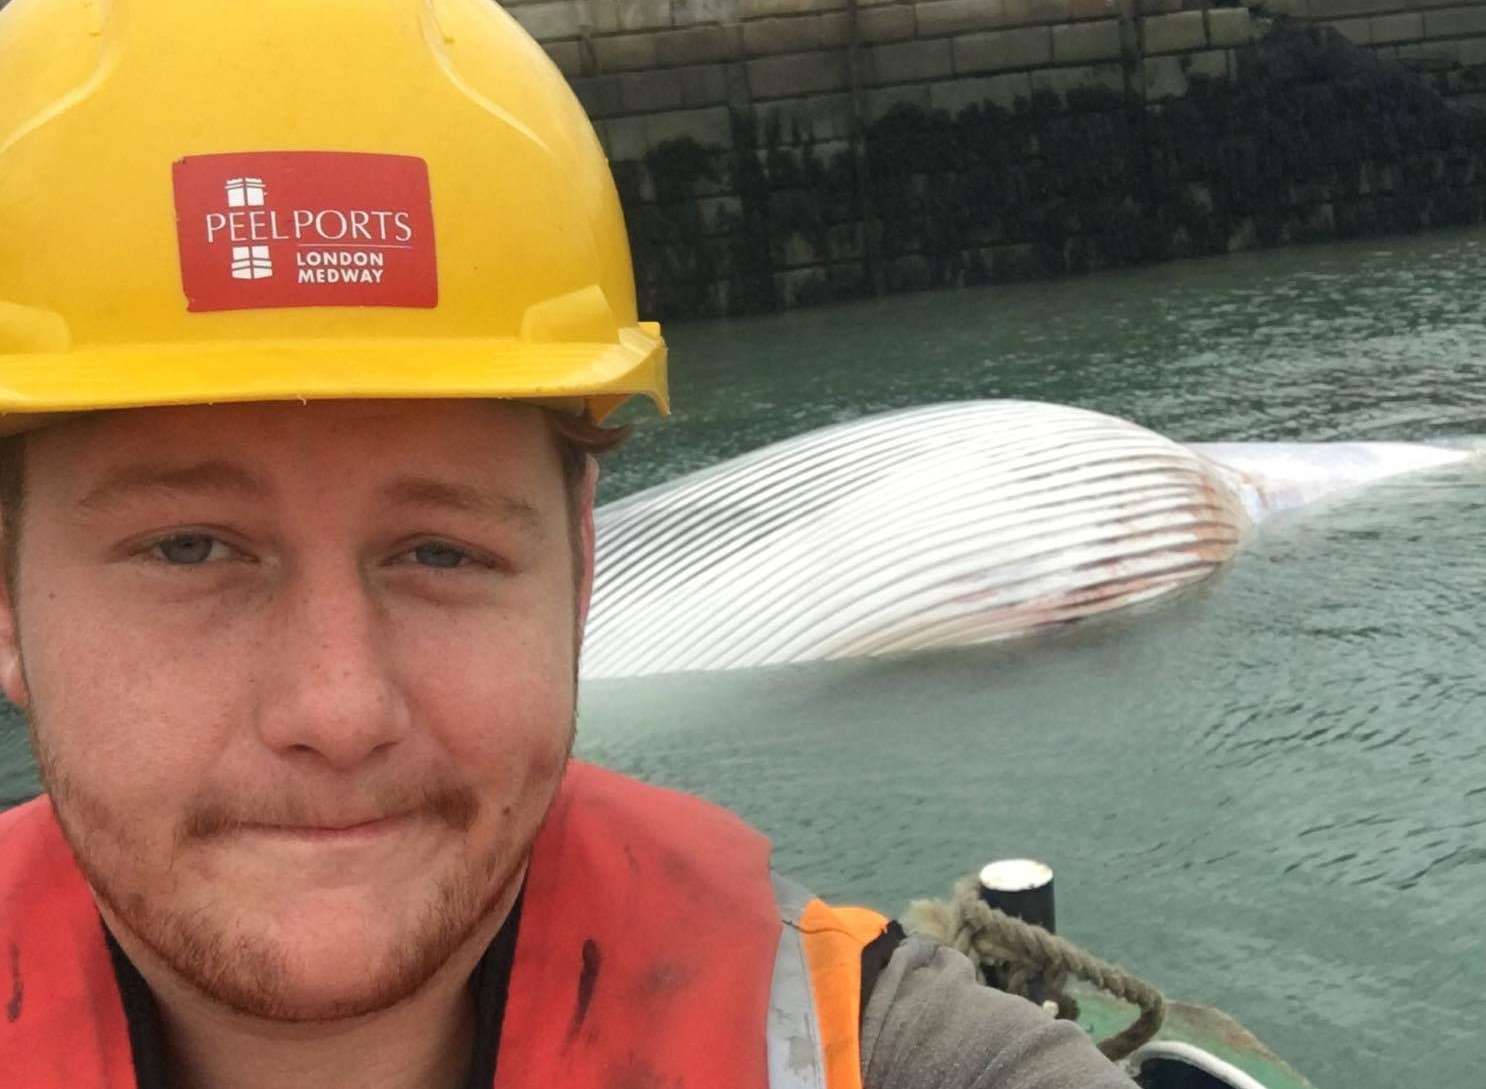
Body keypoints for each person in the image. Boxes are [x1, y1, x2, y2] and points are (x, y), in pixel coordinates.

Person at [0, 2, 1138, 1087]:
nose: (339, 713)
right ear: (4, 595)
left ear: (580, 569)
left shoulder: (884, 1057)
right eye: (191, 548)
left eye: (439, 553)